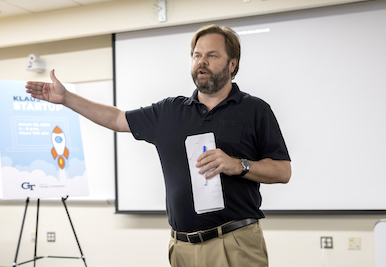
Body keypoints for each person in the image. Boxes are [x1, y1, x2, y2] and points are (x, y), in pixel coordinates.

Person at [26, 24, 291, 267]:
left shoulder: (255, 110)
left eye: (212, 55)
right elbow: (117, 119)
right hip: (182, 248)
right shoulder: (170, 111)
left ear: (232, 64)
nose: (202, 62)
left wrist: (238, 165)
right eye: (197, 55)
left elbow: (282, 171)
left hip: (234, 244)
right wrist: (67, 98)